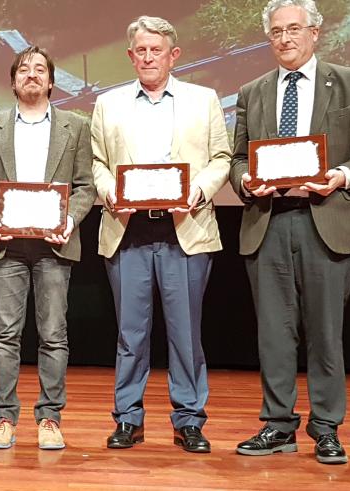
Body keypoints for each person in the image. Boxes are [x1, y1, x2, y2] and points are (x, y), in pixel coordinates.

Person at [228, 0, 350, 465]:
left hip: (328, 218)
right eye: (277, 31)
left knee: (325, 333)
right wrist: (245, 181)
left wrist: (340, 174)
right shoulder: (252, 91)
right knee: (274, 334)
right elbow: (238, 159)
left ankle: (326, 428)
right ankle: (278, 425)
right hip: (269, 221)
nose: (285, 38)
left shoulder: (349, 82)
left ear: (316, 32)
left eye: (294, 28)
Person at [92, 15, 231, 454]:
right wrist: (108, 191)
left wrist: (200, 191)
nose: (148, 57)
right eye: (141, 50)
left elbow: (222, 157)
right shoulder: (107, 103)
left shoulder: (203, 99)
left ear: (174, 55)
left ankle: (189, 419)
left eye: (157, 50)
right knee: (130, 334)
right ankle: (128, 418)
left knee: (185, 333)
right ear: (131, 56)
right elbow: (96, 162)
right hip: (127, 228)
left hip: (185, 229)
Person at [0, 46, 95, 451]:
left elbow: (84, 187)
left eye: (39, 69)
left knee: (53, 334)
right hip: (6, 244)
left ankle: (49, 418)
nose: (31, 75)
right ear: (12, 81)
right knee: (4, 334)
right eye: (23, 69)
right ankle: (4, 418)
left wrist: (69, 220)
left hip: (53, 245)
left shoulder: (75, 126)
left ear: (50, 80)